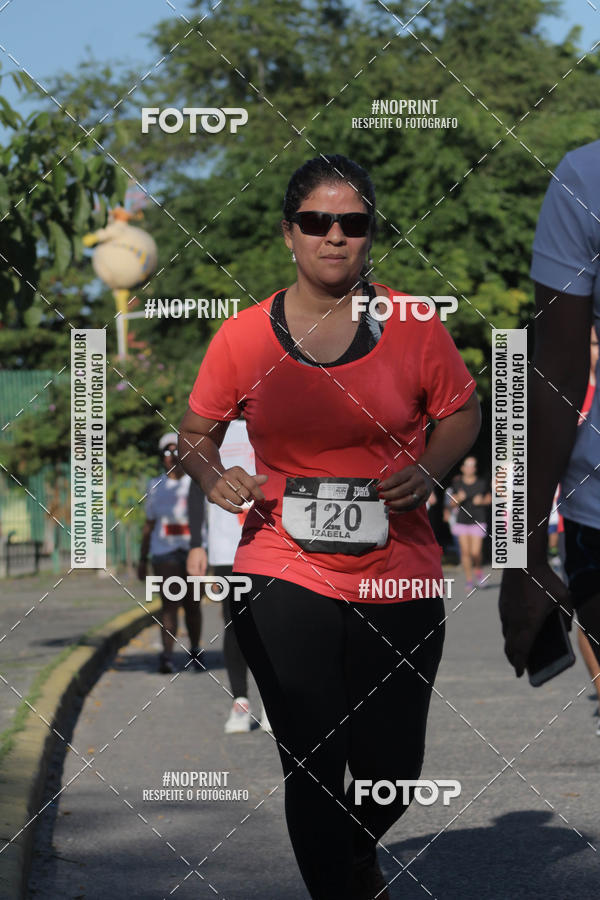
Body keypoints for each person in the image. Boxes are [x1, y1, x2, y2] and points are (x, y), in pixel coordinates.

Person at [179, 154, 481, 900]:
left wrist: (433, 469)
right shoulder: (243, 339)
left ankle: (352, 853)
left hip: (399, 569)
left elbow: (464, 411)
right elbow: (193, 433)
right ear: (290, 234)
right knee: (313, 760)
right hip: (282, 565)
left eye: (353, 223)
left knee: (391, 774)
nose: (335, 236)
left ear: (371, 233)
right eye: (317, 222)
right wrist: (217, 477)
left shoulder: (415, 324)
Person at [500, 140, 600, 688]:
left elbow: (553, 375)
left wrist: (525, 559)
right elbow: (551, 378)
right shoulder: (586, 176)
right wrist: (522, 556)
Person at [187, 417, 272, 733]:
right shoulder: (213, 428)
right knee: (235, 624)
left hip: (274, 542)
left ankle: (272, 704)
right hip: (227, 547)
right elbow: (199, 488)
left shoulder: (277, 415)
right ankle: (240, 702)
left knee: (274, 625)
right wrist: (197, 545)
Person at [138, 433, 201, 673]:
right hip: (164, 553)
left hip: (192, 551)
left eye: (177, 451)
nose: (172, 456)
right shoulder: (155, 486)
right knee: (170, 605)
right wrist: (142, 559)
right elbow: (149, 524)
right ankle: (166, 656)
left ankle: (195, 650)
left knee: (193, 604)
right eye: (167, 452)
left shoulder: (196, 484)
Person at [449, 456, 491, 590]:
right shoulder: (457, 484)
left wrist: (482, 501)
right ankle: (469, 579)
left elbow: (489, 498)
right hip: (462, 521)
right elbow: (451, 504)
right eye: (467, 465)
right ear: (462, 468)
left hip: (478, 520)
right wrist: (458, 499)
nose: (469, 468)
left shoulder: (482, 483)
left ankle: (478, 570)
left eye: (472, 465)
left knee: (475, 552)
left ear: (475, 469)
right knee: (465, 552)